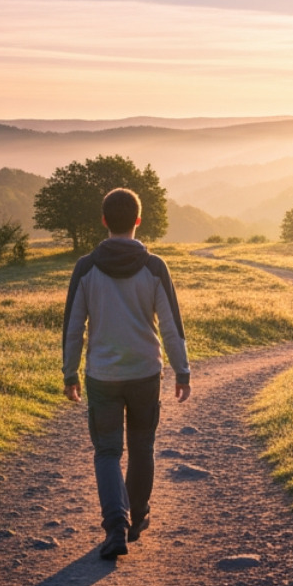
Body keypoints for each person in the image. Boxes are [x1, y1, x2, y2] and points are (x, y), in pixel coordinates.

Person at [62, 187, 191, 559]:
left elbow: (74, 326)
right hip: (145, 373)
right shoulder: (154, 267)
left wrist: (70, 373)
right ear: (138, 220)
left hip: (102, 375)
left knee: (106, 451)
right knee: (141, 445)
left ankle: (114, 524)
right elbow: (171, 326)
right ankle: (137, 518)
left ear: (104, 221)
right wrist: (182, 370)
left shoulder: (86, 267)